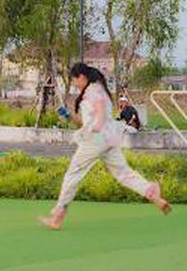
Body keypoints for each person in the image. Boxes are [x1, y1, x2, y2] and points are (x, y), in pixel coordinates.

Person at [40, 63, 170, 230]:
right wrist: (69, 115)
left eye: (74, 80)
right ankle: (151, 191)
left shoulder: (93, 90)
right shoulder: (97, 89)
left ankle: (58, 214)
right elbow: (87, 120)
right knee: (123, 173)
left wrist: (97, 125)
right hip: (109, 139)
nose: (75, 84)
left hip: (96, 139)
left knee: (73, 174)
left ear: (81, 77)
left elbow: (99, 110)